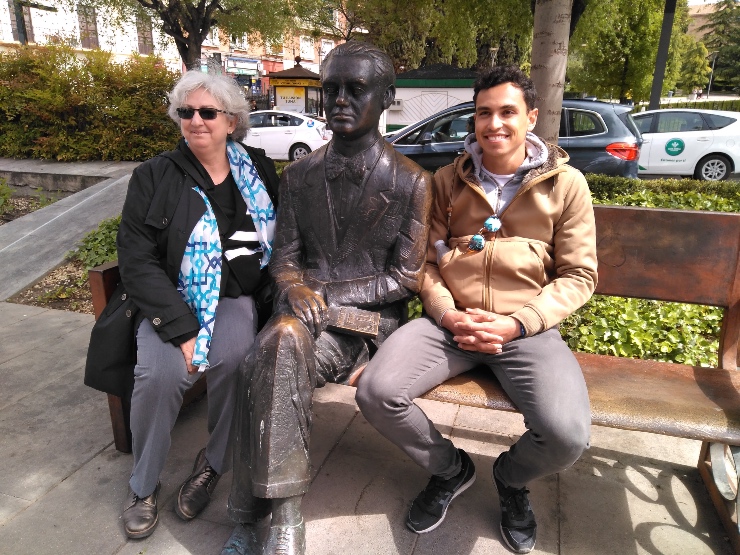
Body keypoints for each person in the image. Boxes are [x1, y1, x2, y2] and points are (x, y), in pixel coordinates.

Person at [356, 65, 597, 554]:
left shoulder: (566, 185)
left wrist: (516, 323)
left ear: (531, 117)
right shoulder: (446, 181)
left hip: (525, 329)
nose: (495, 124)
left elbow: (579, 276)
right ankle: (451, 470)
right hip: (448, 325)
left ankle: (509, 479)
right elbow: (424, 263)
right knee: (377, 392)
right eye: (484, 113)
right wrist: (448, 314)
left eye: (508, 112)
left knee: (567, 435)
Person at [221, 42, 432, 555]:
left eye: (356, 89)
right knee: (280, 344)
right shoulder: (297, 177)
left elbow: (404, 277)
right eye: (331, 87)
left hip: (363, 329)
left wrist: (320, 293)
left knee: (271, 350)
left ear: (387, 97)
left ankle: (249, 515)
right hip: (300, 319)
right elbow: (284, 258)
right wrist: (293, 286)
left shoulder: (412, 182)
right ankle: (287, 519)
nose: (339, 99)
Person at [115, 70, 279, 540]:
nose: (196, 121)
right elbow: (137, 258)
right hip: (174, 300)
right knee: (161, 374)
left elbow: (284, 240)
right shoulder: (155, 176)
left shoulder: (259, 170)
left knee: (235, 363)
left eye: (208, 112)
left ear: (232, 121)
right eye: (186, 112)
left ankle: (210, 466)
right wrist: (183, 330)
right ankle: (143, 485)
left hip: (236, 299)